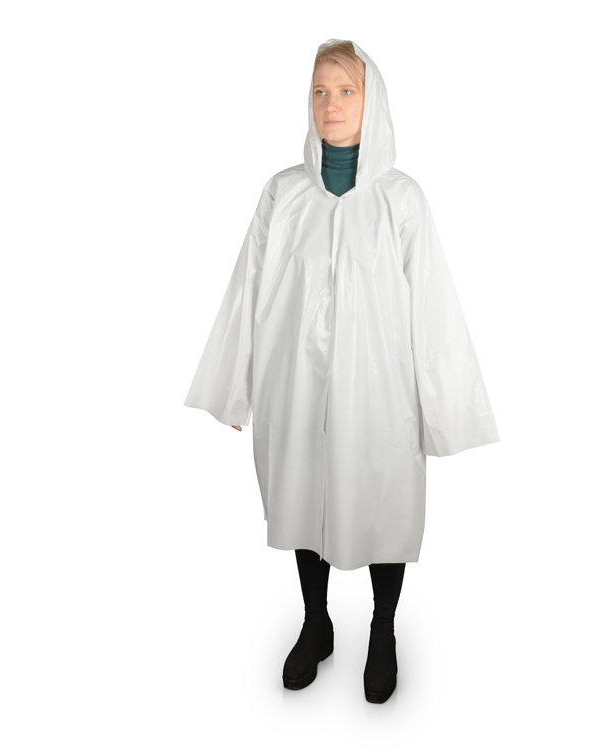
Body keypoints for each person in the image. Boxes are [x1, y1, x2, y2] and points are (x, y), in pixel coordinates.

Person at [185, 39, 499, 703]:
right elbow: (246, 288)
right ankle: (317, 623)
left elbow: (434, 304)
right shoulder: (283, 194)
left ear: (371, 100)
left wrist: (443, 407)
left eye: (346, 91)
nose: (331, 104)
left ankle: (383, 629)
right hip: (294, 385)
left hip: (382, 389)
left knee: (385, 499)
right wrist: (233, 386)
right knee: (304, 495)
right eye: (320, 91)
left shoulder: (400, 200)